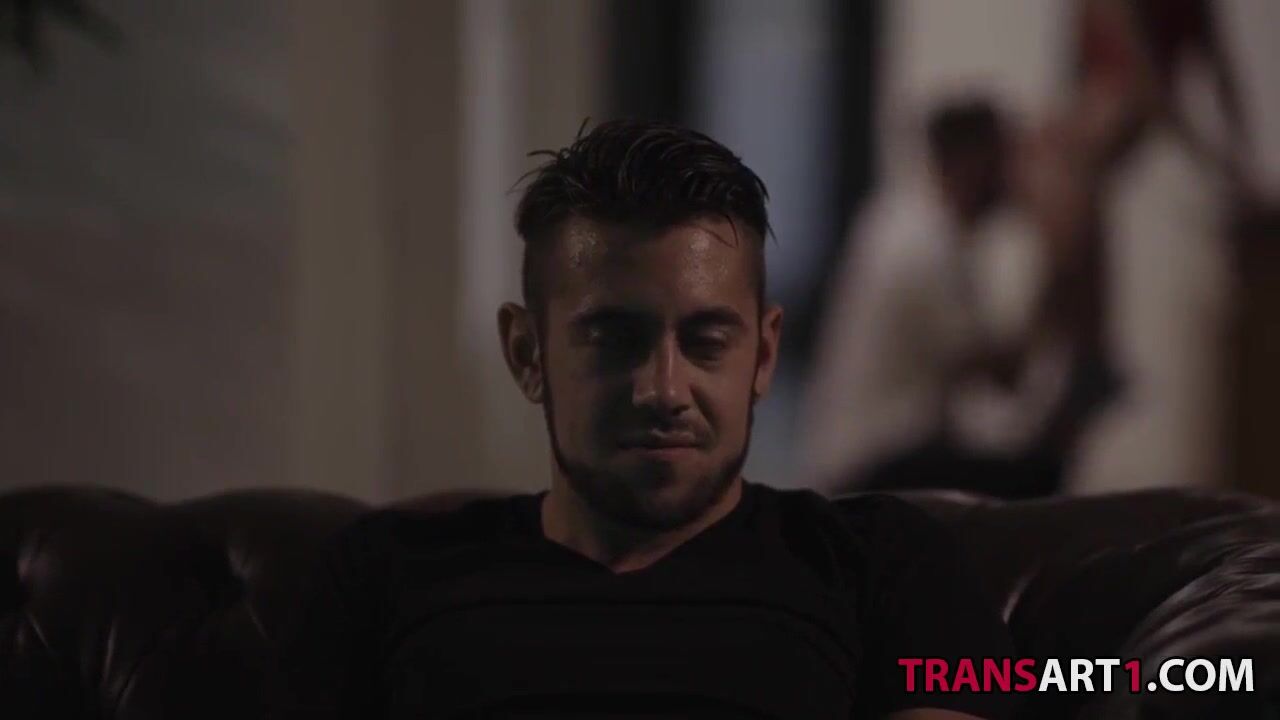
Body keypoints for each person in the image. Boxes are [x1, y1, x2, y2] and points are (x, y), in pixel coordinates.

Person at [270, 120, 1017, 719]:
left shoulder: (882, 564)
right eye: (613, 340)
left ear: (762, 355)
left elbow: (1069, 674)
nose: (663, 389)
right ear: (527, 353)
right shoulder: (384, 575)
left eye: (706, 342)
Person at [803, 99, 1113, 499]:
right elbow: (1005, 375)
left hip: (867, 456)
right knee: (1037, 474)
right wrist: (1059, 249)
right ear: (974, 160)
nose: (1012, 175)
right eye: (1004, 158)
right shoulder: (922, 246)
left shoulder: (905, 219)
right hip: (870, 466)